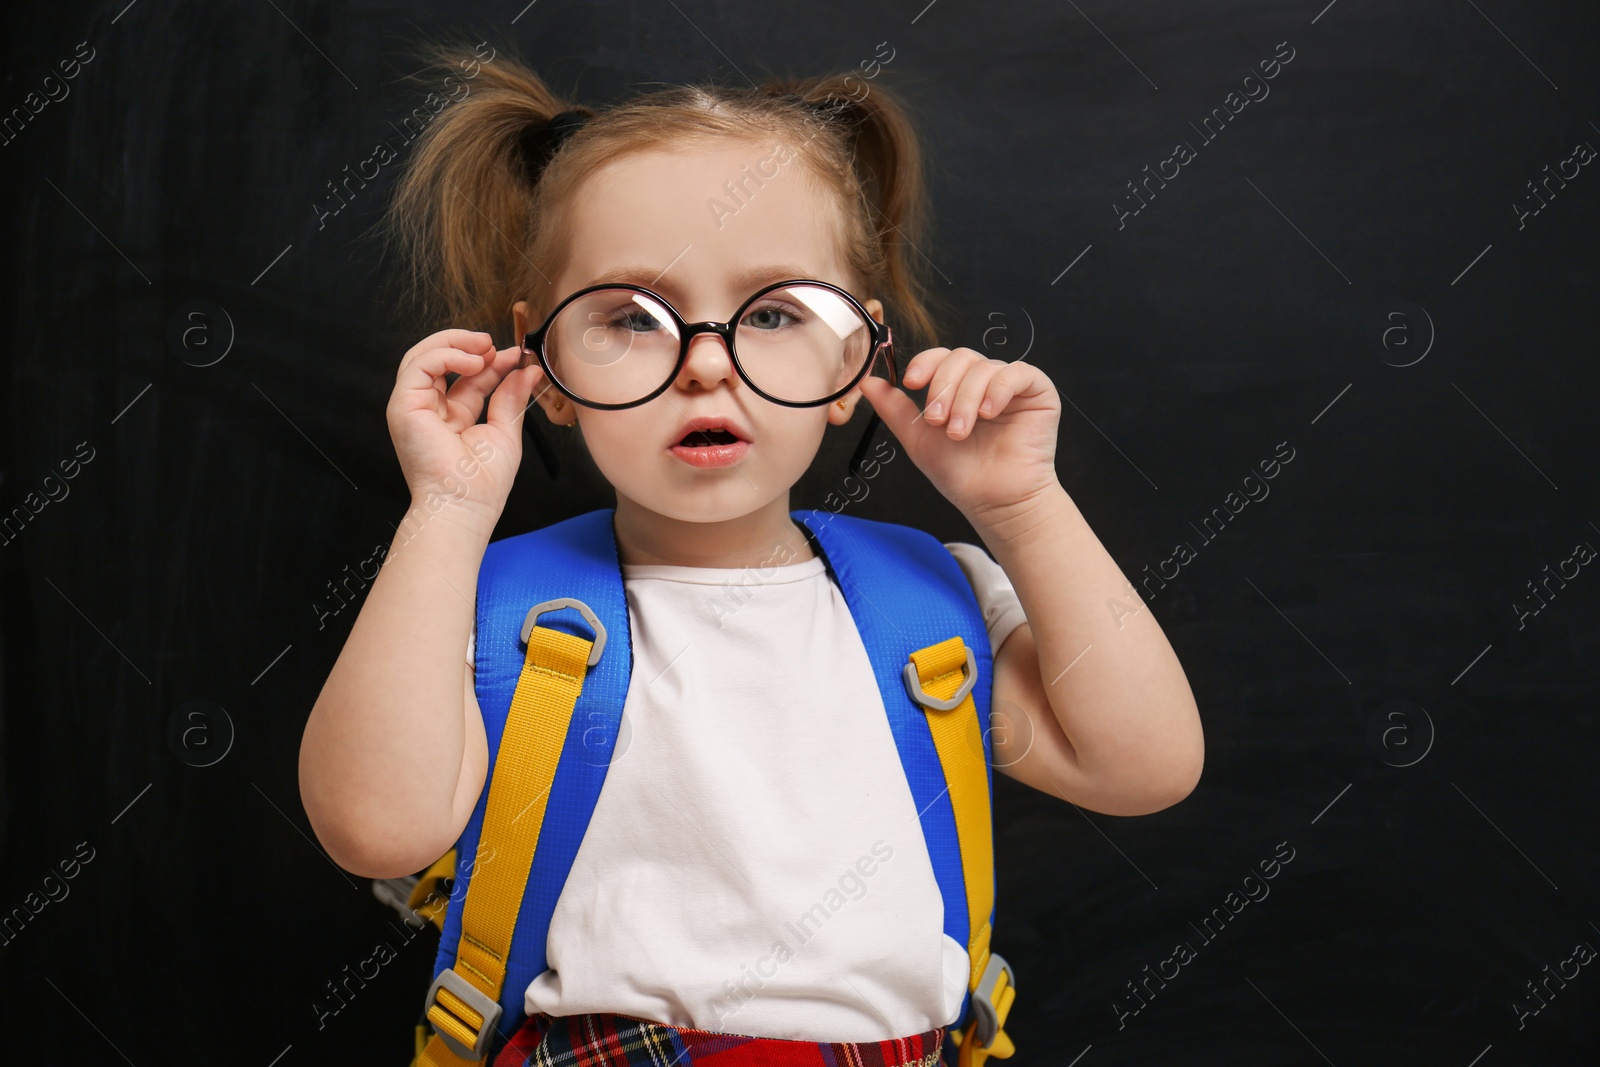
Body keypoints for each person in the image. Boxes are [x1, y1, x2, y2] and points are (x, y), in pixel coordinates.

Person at [298, 35, 1205, 1067]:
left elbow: (1146, 768)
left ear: (853, 353)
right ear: (544, 361)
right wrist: (445, 515)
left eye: (773, 311)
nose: (706, 364)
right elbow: (373, 828)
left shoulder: (930, 603)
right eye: (632, 317)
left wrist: (1027, 505)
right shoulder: (489, 603)